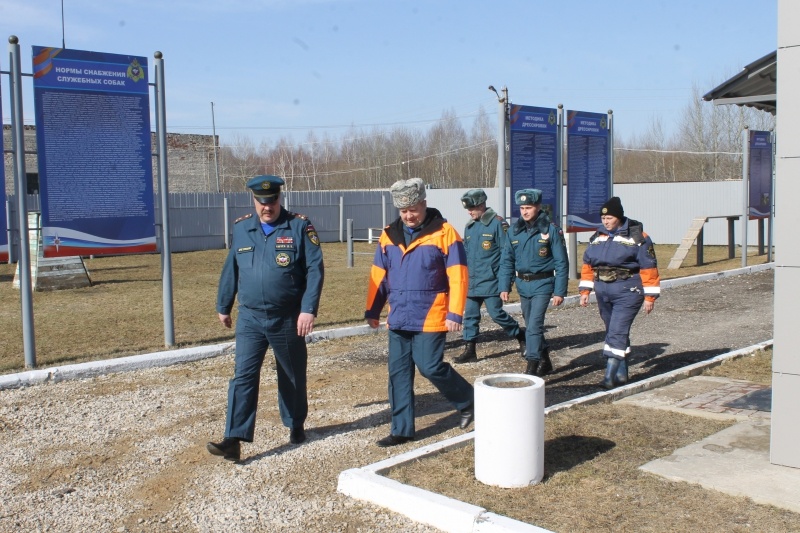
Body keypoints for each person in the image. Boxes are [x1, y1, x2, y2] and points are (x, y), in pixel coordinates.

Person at [207, 175, 324, 462]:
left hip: (287, 317)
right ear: (254, 201)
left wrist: (308, 309)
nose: (266, 208)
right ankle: (233, 438)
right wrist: (224, 305)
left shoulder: (298, 226)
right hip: (250, 318)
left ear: (279, 199)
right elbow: (231, 269)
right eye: (261, 202)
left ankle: (295, 423)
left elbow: (315, 270)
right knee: (243, 377)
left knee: (291, 374)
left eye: (271, 202)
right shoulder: (242, 228)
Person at [365, 177, 475, 447]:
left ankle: (470, 401)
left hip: (432, 313)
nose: (409, 215)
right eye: (403, 211)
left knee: (430, 366)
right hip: (399, 314)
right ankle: (401, 429)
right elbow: (379, 275)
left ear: (424, 203)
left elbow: (458, 275)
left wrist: (455, 313)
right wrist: (373, 308)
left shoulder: (445, 232)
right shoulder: (388, 234)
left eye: (413, 209)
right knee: (398, 372)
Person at [579, 196, 660, 389]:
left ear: (620, 217)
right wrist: (585, 290)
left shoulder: (638, 237)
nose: (606, 222)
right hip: (603, 290)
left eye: (610, 218)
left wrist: (650, 296)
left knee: (616, 330)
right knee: (614, 331)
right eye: (603, 218)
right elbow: (587, 265)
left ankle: (608, 377)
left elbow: (649, 267)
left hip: (628, 290)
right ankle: (622, 375)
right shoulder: (598, 237)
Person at [498, 189, 569, 377]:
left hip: (543, 283)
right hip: (523, 284)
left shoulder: (550, 229)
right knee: (530, 325)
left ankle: (532, 365)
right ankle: (545, 360)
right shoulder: (514, 231)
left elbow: (562, 262)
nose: (525, 211)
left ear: (538, 207)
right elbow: (507, 260)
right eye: (521, 208)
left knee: (534, 326)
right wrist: (504, 286)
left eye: (528, 207)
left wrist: (560, 291)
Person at [454, 188, 526, 364]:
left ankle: (521, 336)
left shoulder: (498, 225)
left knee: (496, 314)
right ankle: (470, 350)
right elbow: (466, 254)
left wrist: (505, 284)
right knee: (470, 316)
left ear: (481, 205)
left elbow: (507, 255)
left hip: (492, 281)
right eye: (467, 209)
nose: (469, 212)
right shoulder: (470, 227)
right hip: (473, 281)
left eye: (472, 208)